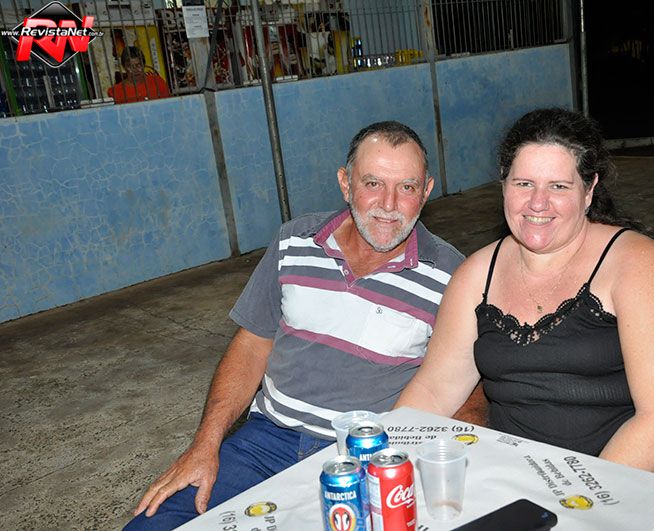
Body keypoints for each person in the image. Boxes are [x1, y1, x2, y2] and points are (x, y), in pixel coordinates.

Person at [395, 108, 654, 530]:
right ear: (503, 183)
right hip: (541, 480)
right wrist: (380, 460)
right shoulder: (476, 274)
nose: (537, 203)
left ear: (589, 190)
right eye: (524, 184)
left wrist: (574, 514)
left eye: (559, 186)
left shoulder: (635, 264)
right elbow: (433, 391)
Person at [125, 121, 464, 530]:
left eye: (407, 187)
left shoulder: (451, 276)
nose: (389, 204)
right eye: (372, 183)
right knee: (152, 524)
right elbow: (252, 345)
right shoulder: (294, 242)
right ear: (345, 183)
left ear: (426, 191)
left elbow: (464, 388)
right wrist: (204, 444)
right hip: (264, 442)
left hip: (366, 455)